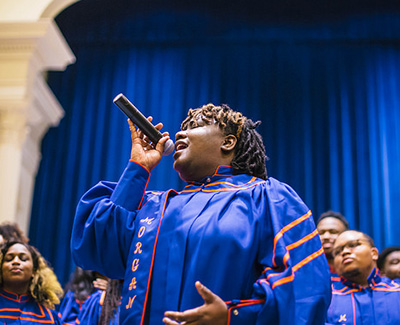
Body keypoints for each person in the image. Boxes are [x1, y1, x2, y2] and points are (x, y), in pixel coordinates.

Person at [71, 103, 331, 324]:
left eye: (195, 125)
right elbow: (97, 249)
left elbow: (305, 288)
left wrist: (233, 317)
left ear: (228, 142)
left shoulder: (267, 197)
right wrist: (138, 168)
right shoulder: (154, 206)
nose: (181, 131)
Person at [326, 230, 400, 324]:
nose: (344, 252)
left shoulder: (397, 292)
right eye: (337, 252)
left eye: (352, 245)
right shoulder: (327, 300)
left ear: (374, 253)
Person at [0, 240, 63, 324]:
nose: (15, 261)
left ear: (34, 271)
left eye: (23, 259)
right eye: (9, 259)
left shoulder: (49, 316)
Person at [316, 210, 349, 278]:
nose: (326, 237)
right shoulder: (306, 269)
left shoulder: (356, 271)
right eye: (321, 233)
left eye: (333, 232)